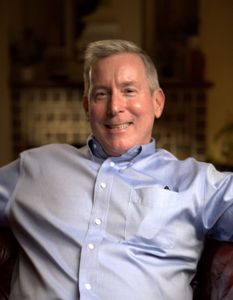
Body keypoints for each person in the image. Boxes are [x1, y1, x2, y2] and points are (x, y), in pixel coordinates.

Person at [0, 39, 232, 300]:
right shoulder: (34, 168)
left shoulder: (197, 182)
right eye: (101, 94)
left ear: (157, 102)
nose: (114, 107)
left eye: (129, 91)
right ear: (87, 107)